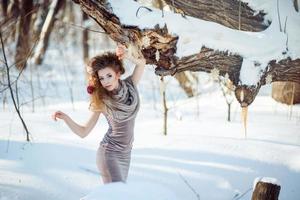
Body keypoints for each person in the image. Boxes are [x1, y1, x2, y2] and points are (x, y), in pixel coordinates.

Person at [52, 44, 146, 184]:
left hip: (126, 154)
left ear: (118, 74)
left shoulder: (130, 85)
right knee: (116, 194)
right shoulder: (102, 100)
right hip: (109, 153)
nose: (106, 81)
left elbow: (142, 62)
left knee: (117, 193)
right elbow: (83, 132)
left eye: (109, 75)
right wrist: (66, 118)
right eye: (101, 78)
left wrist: (126, 54)